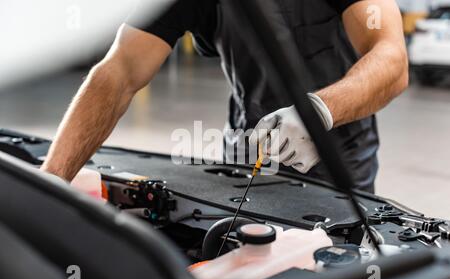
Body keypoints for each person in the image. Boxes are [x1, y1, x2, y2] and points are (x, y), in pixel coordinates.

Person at [41, 0, 408, 193]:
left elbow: (392, 57)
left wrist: (319, 111)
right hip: (247, 156)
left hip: (340, 153)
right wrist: (51, 184)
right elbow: (118, 72)